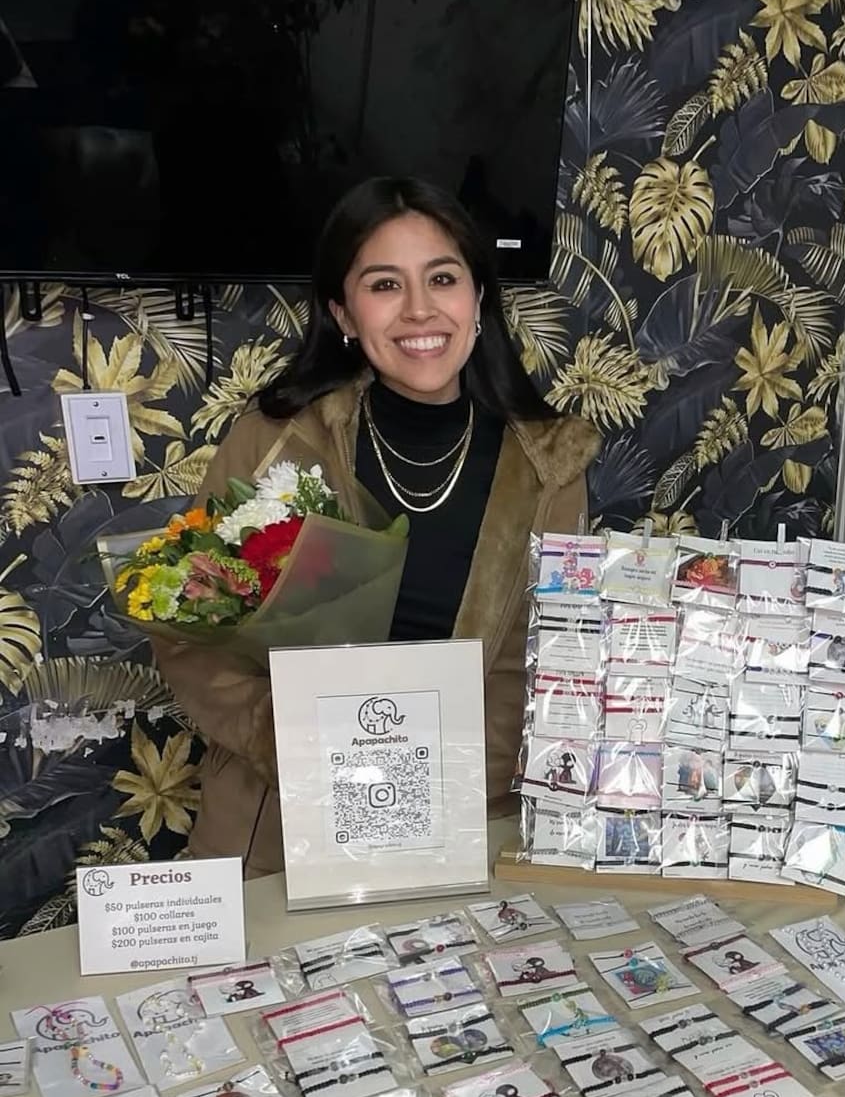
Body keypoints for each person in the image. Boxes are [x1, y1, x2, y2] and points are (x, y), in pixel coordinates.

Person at [154, 176, 599, 875]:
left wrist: (431, 783)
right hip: (277, 826)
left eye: (443, 278)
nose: (420, 310)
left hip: (466, 829)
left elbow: (545, 666)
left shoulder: (551, 467)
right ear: (343, 313)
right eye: (385, 285)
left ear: (478, 297)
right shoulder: (271, 442)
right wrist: (307, 747)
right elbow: (191, 635)